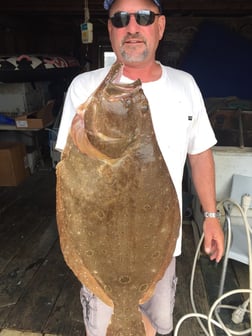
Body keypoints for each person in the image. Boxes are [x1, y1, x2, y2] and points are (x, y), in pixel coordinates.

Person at [56, 0, 225, 335]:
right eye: (120, 19)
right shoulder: (83, 87)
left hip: (159, 245)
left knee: (160, 326)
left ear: (159, 26)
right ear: (110, 29)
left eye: (143, 17)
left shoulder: (185, 85)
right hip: (100, 248)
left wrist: (211, 216)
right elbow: (68, 171)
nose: (131, 27)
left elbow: (200, 153)